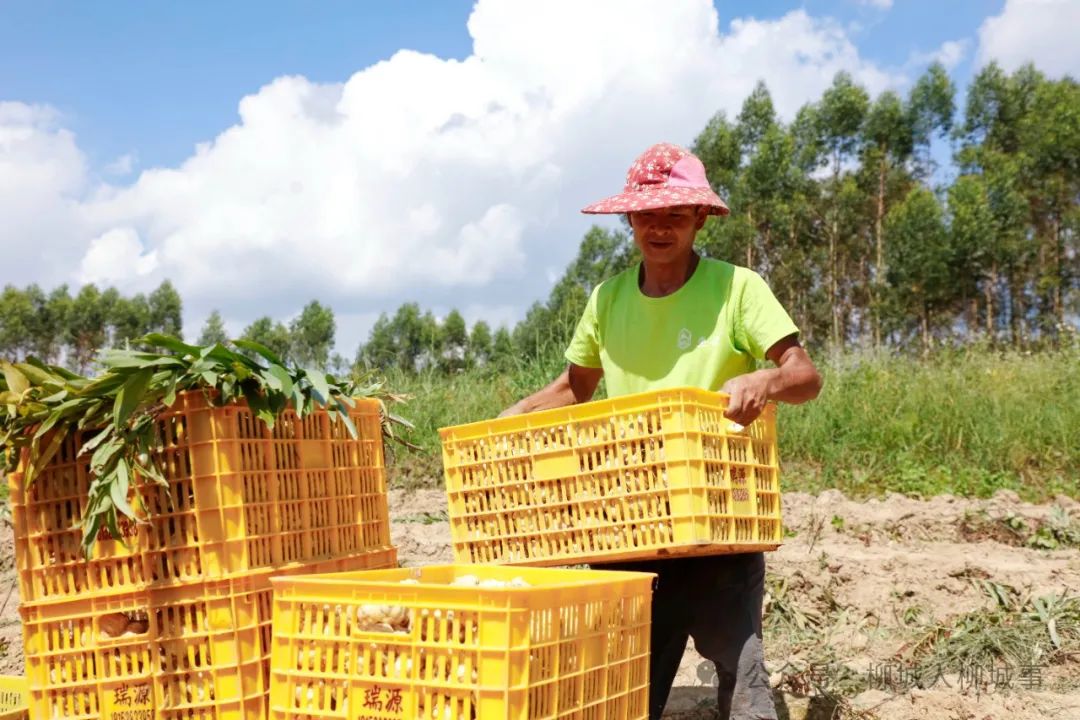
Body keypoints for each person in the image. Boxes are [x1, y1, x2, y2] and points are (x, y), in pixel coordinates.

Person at [500, 142, 822, 720]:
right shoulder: (607, 299)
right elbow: (575, 386)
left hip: (718, 518)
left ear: (700, 219)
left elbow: (805, 376)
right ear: (630, 219)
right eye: (648, 215)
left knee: (743, 684)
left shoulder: (737, 289)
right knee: (624, 692)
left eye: (676, 214)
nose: (660, 227)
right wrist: (514, 416)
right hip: (633, 517)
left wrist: (766, 379)